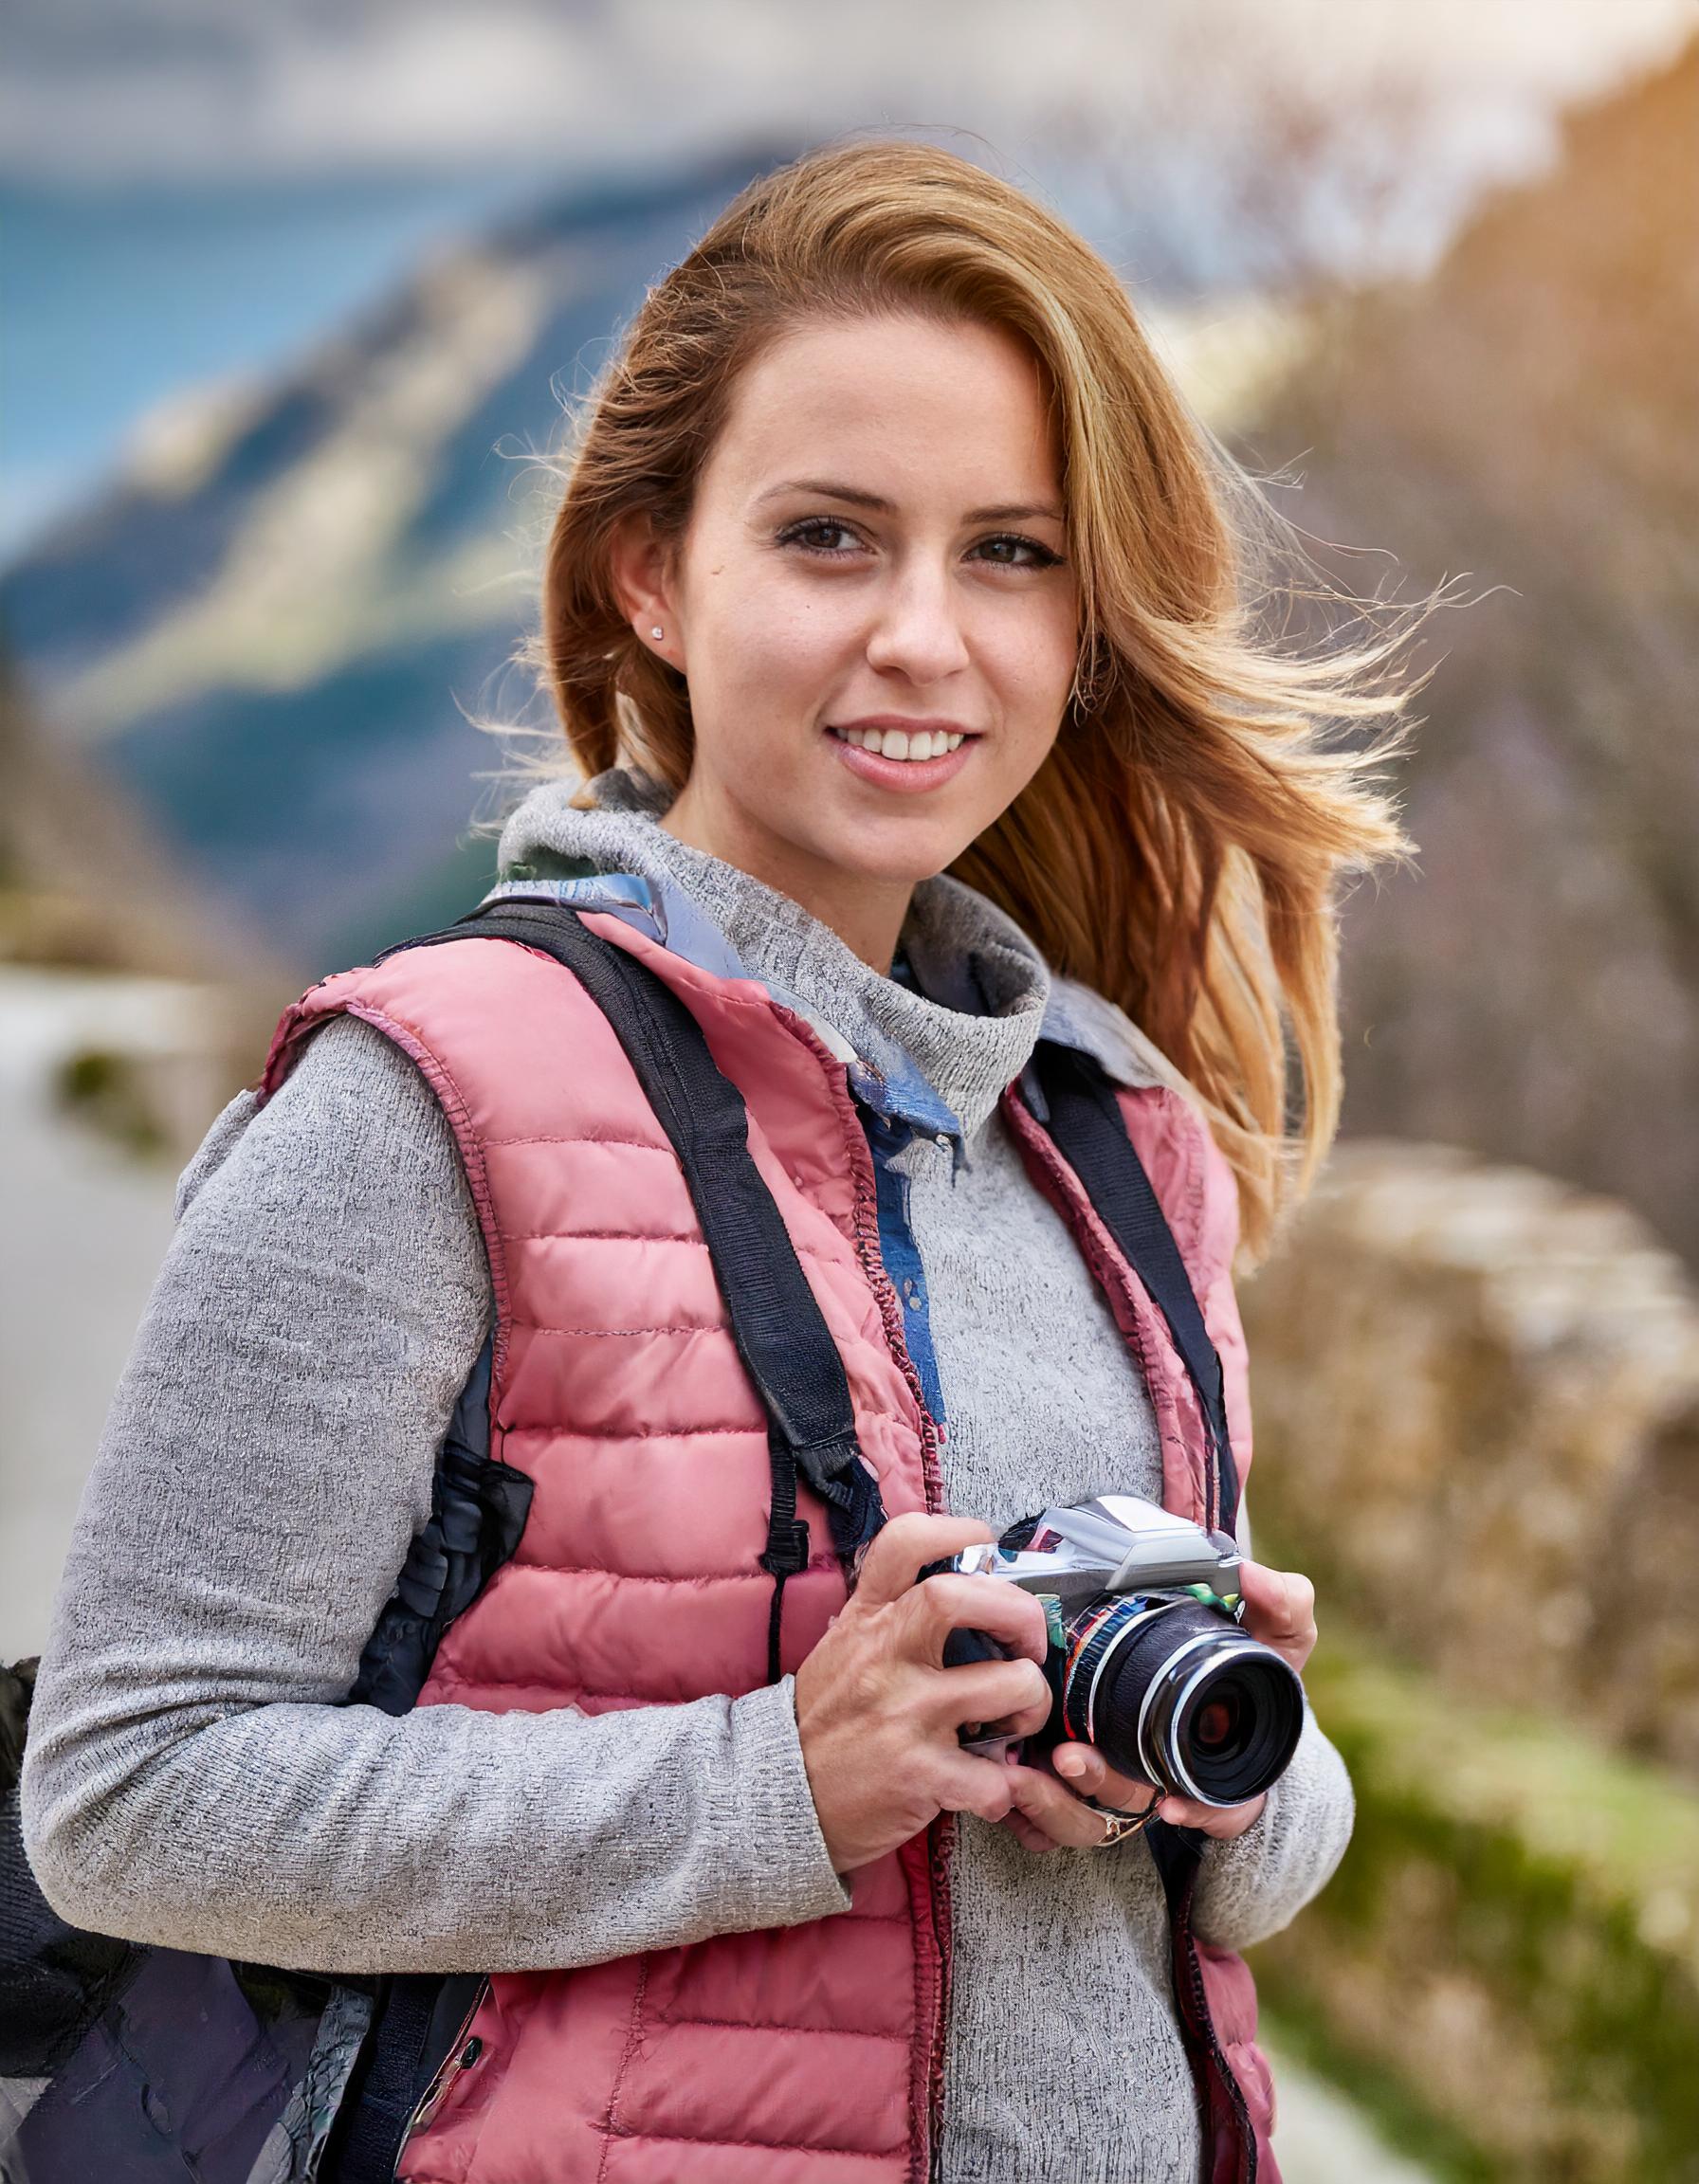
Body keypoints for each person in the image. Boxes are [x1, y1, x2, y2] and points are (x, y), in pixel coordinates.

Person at [20, 138, 1424, 2182]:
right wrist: (772, 1782)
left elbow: (1231, 1886)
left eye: (1013, 554)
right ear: (651, 575)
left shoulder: (1120, 1145)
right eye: (832, 538)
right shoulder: (422, 1100)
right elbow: (135, 1796)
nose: (927, 639)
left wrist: (1233, 1777)